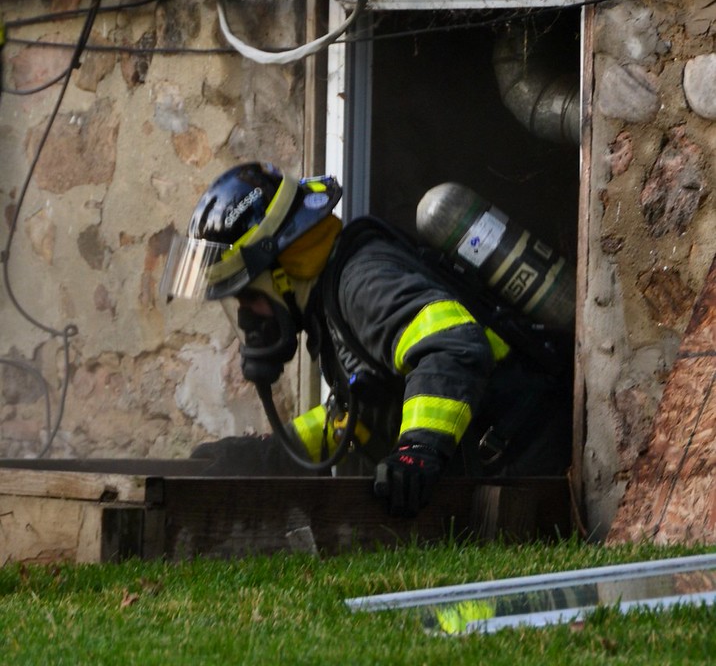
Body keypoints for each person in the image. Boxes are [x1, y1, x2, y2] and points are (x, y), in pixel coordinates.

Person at [160, 162, 572, 516]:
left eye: (250, 296)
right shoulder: (329, 302)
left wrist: (418, 449)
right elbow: (356, 416)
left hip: (532, 474)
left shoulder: (360, 283)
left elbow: (453, 344)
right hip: (508, 476)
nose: (248, 317)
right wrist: (265, 457)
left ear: (282, 270)